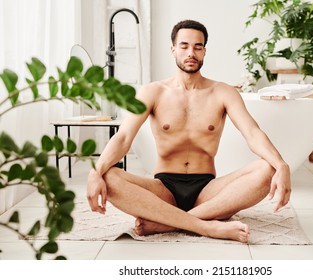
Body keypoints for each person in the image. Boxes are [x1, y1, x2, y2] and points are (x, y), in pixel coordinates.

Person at [87, 19, 291, 243]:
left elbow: (252, 133)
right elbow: (124, 137)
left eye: (197, 46)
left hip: (208, 192)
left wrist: (281, 165)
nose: (190, 52)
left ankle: (167, 222)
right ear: (173, 49)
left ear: (204, 51)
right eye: (184, 46)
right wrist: (94, 173)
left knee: (267, 168)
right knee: (109, 175)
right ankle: (207, 227)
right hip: (163, 190)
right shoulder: (152, 92)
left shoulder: (223, 92)